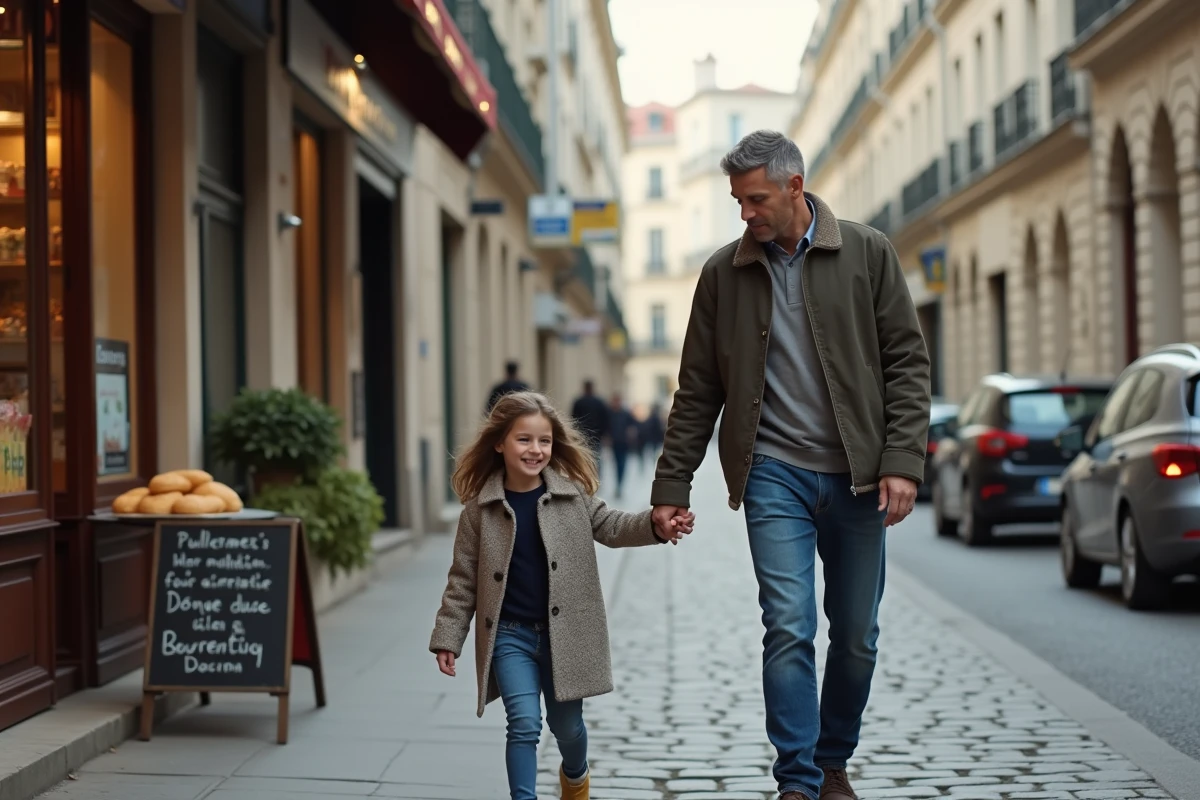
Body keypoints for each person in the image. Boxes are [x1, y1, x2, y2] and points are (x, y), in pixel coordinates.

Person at [648, 130, 931, 800]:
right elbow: (697, 389)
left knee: (857, 636)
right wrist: (671, 484)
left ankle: (834, 759)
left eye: (755, 199)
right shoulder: (724, 273)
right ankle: (799, 781)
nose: (745, 213)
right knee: (788, 626)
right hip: (773, 472)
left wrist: (902, 460)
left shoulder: (867, 252)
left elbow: (908, 363)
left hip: (858, 477)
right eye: (737, 201)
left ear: (794, 186)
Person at [430, 391, 694, 800]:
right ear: (499, 442)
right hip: (510, 635)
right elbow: (463, 579)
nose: (536, 450)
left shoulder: (571, 496)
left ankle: (575, 776)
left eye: (545, 441)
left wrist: (657, 527)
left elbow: (613, 525)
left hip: (565, 636)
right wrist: (448, 636)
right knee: (523, 723)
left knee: (567, 728)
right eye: (524, 439)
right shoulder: (479, 510)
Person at [570, 380, 609, 468]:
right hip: (596, 436)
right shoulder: (599, 402)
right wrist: (604, 434)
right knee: (596, 459)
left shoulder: (578, 402)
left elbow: (574, 419)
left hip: (582, 435)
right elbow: (605, 420)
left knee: (584, 459)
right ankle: (595, 479)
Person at [605, 393, 637, 498]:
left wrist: (630, 434)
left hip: (624, 443)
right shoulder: (609, 413)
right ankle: (618, 485)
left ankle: (619, 486)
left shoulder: (625, 413)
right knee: (616, 464)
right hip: (614, 443)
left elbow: (633, 425)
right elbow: (606, 427)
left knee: (622, 465)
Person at [638, 403, 665, 472]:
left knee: (653, 453)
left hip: (653, 439)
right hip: (654, 439)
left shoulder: (651, 419)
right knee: (653, 453)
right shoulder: (656, 419)